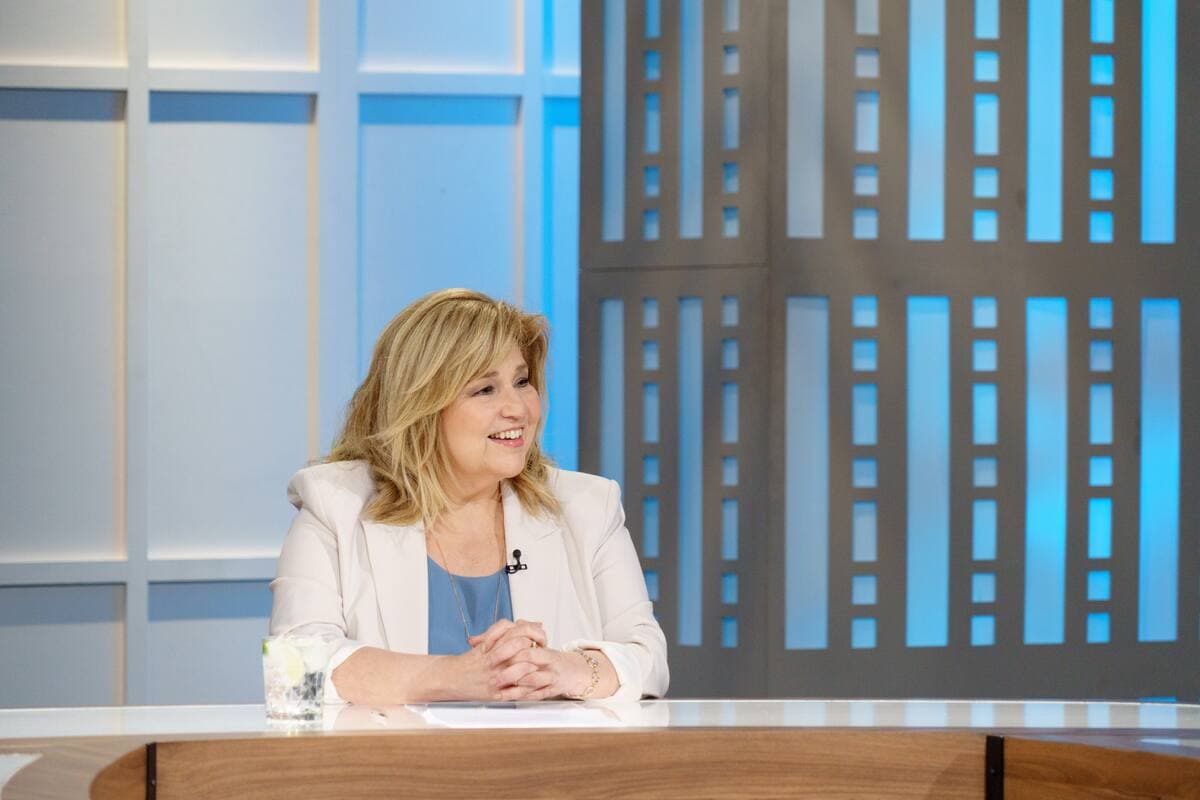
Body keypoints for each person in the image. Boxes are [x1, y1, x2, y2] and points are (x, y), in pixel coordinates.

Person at [270, 288, 669, 703]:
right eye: (485, 390)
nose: (518, 409)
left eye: (522, 382)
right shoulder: (335, 505)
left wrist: (564, 670)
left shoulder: (587, 506)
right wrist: (457, 676)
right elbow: (295, 669)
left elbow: (649, 659)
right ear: (420, 407)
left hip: (548, 748)